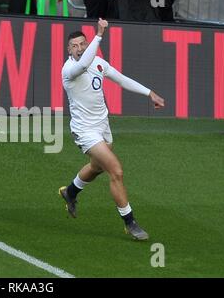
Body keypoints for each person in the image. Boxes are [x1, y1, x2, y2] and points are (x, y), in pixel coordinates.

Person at [59, 19, 165, 241]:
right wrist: (99, 35)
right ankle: (130, 222)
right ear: (69, 50)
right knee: (116, 171)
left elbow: (121, 79)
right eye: (75, 46)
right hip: (84, 130)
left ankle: (70, 192)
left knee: (97, 167)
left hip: (102, 126)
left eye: (82, 44)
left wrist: (149, 93)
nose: (79, 48)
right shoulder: (69, 69)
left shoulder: (98, 63)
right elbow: (81, 66)